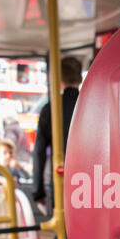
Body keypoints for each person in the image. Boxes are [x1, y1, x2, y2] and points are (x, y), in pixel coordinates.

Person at [32, 56, 82, 215]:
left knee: (63, 228)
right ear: (80, 78)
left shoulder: (50, 109)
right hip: (92, 179)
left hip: (61, 179)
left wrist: (38, 191)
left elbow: (39, 152)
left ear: (59, 79)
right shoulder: (93, 102)